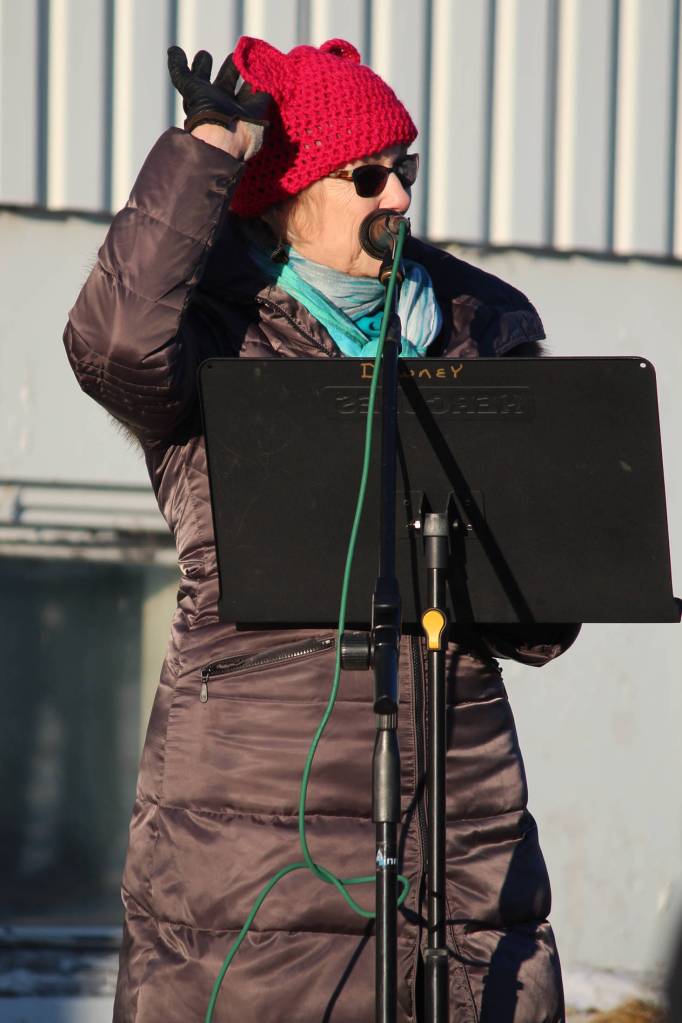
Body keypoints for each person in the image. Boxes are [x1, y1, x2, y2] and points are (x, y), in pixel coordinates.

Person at [64, 36, 580, 1023]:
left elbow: (537, 619)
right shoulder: (221, 335)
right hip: (253, 833)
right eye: (367, 176)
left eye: (406, 170)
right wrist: (206, 147)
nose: (397, 196)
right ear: (290, 198)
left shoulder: (478, 330)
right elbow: (116, 344)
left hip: (458, 823)